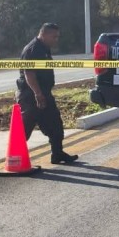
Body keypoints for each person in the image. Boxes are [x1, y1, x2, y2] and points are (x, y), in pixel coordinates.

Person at [16, 22, 78, 164]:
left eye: (57, 37)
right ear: (43, 34)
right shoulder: (33, 49)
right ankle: (15, 158)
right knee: (24, 130)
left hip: (44, 94)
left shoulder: (44, 48)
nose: (56, 40)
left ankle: (57, 154)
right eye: (54, 37)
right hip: (31, 96)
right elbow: (29, 74)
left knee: (55, 125)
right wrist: (38, 94)